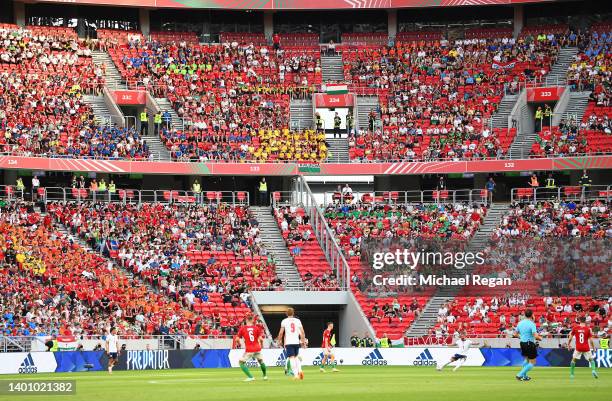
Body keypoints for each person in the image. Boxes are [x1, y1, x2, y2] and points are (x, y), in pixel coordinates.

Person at [277, 307, 305, 380]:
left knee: (291, 358)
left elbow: (281, 333)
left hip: (289, 342)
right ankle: (300, 371)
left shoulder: (284, 321)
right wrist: (303, 341)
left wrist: (279, 341)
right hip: (296, 342)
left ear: (286, 313)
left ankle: (296, 375)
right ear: (293, 313)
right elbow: (302, 332)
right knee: (296, 357)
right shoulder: (298, 321)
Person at [237, 316, 267, 382]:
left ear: (246, 320)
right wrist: (261, 346)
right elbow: (261, 339)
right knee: (261, 361)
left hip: (249, 349)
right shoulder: (256, 328)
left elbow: (237, 339)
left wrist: (239, 344)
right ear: (252, 320)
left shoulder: (243, 328)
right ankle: (265, 376)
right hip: (257, 348)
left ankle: (251, 377)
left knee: (241, 362)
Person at [514, 309, 542, 381]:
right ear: (532, 315)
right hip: (529, 343)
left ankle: (525, 376)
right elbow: (535, 336)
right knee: (533, 362)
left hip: (522, 343)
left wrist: (522, 337)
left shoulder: (520, 323)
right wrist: (540, 338)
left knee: (526, 359)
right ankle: (519, 375)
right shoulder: (532, 324)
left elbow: (515, 334)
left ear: (525, 315)